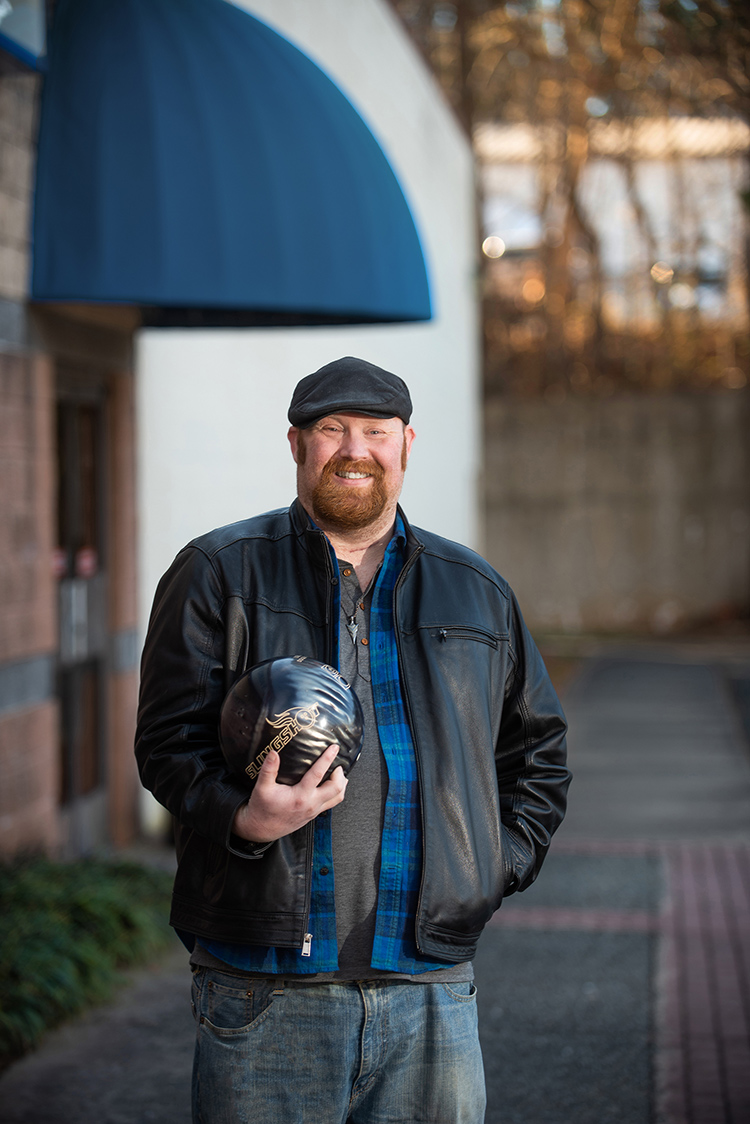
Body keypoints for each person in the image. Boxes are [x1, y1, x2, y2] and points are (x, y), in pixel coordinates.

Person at [135, 356, 570, 1124]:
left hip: (431, 987)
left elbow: (536, 753)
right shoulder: (216, 572)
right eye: (332, 430)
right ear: (297, 444)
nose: (355, 450)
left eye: (375, 431)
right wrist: (243, 820)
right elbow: (168, 743)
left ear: (406, 443)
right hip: (264, 987)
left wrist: (490, 867)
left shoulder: (475, 588)